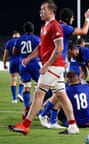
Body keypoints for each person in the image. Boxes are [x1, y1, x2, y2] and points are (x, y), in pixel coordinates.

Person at [8, 0, 79, 135]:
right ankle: (73, 125)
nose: (40, 11)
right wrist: (29, 58)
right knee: (62, 95)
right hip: (54, 66)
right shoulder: (44, 27)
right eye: (40, 9)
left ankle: (25, 125)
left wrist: (46, 65)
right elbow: (41, 47)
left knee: (38, 93)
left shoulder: (55, 26)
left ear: (51, 11)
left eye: (43, 9)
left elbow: (59, 48)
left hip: (54, 65)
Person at [37, 6, 89, 129]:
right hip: (54, 64)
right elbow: (83, 31)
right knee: (42, 93)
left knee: (60, 93)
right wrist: (87, 19)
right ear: (68, 18)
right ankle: (41, 115)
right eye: (72, 18)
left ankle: (51, 120)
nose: (73, 19)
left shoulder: (50, 26)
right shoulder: (63, 27)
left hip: (54, 63)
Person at [12, 21, 41, 119]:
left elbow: (14, 52)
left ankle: (27, 108)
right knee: (41, 86)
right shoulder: (37, 39)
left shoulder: (19, 39)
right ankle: (36, 108)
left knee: (27, 87)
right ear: (33, 29)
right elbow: (41, 51)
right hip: (34, 64)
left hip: (23, 64)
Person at [2, 31, 24, 103]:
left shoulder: (9, 42)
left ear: (13, 35)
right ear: (19, 35)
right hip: (20, 61)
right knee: (22, 79)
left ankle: (14, 99)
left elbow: (5, 54)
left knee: (13, 80)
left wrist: (4, 63)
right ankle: (20, 94)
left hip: (12, 62)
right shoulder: (21, 41)